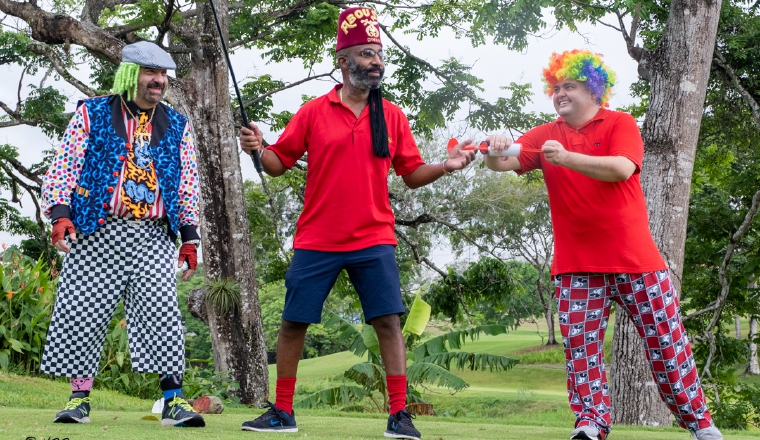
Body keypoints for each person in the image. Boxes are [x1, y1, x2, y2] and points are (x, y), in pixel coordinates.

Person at [238, 6, 475, 439]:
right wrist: (258, 147)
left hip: (374, 237)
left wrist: (446, 165)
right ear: (343, 61)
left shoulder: (394, 116)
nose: (376, 62)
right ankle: (282, 412)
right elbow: (277, 164)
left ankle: (399, 415)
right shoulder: (313, 111)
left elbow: (412, 174)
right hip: (317, 236)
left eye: (379, 54)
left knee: (387, 322)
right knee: (294, 321)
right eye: (366, 53)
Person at [483, 50, 723, 440]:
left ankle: (700, 424)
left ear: (594, 91)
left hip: (636, 262)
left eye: (570, 87)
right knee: (582, 353)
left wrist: (565, 158)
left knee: (668, 344)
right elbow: (505, 163)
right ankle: (591, 424)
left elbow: (621, 168)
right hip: (576, 266)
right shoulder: (545, 134)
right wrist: (496, 150)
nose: (560, 94)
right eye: (556, 88)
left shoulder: (620, 123)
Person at [40, 41, 204, 428]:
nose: (158, 81)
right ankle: (78, 399)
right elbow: (65, 165)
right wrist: (60, 215)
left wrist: (190, 238)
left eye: (163, 75)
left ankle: (174, 401)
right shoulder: (92, 113)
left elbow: (187, 184)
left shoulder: (176, 124)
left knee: (163, 314)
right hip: (96, 232)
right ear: (131, 74)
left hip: (152, 237)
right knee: (83, 313)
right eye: (150, 73)